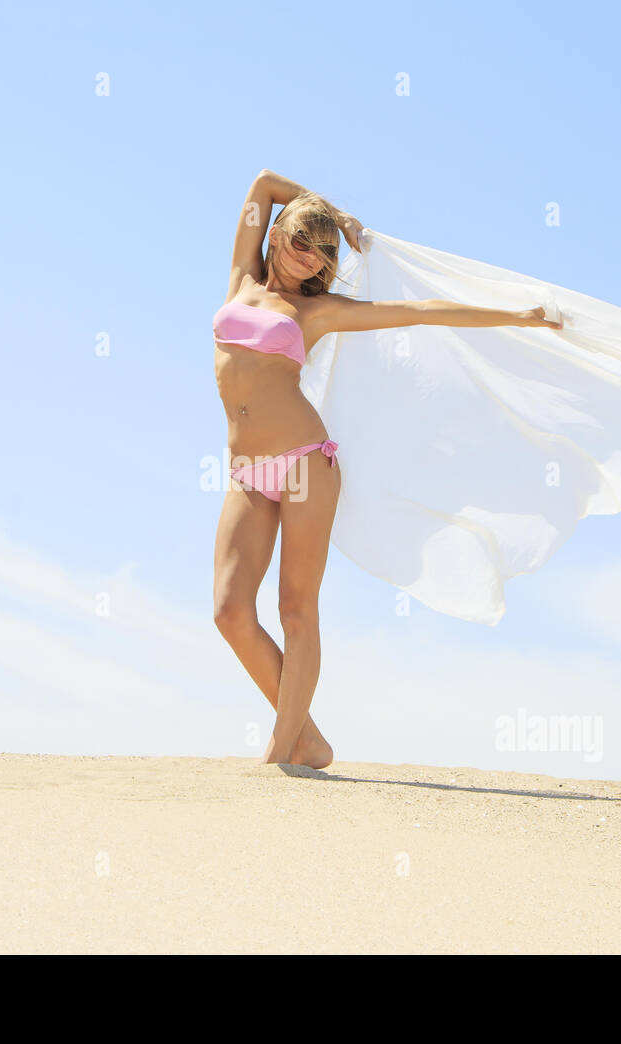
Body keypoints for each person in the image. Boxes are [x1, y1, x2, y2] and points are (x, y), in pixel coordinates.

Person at [212, 169, 562, 769]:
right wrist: (341, 217)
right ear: (277, 236)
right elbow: (265, 182)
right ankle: (309, 737)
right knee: (230, 611)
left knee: (296, 608)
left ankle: (283, 755)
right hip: (248, 470)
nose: (309, 259)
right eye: (301, 242)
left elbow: (420, 311)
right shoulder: (242, 277)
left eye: (322, 252)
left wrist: (520, 316)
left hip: (303, 463)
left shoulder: (318, 310)